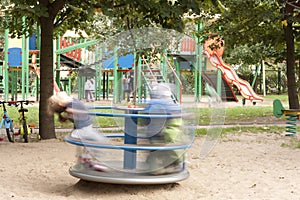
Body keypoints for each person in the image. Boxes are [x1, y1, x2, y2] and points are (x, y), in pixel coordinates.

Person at [47, 91, 108, 171]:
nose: (61, 93)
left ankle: (85, 159)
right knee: (100, 141)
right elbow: (77, 112)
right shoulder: (70, 108)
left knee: (91, 143)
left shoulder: (70, 101)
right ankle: (94, 162)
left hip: (86, 129)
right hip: (83, 130)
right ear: (61, 102)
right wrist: (83, 111)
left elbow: (60, 93)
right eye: (59, 96)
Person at [143, 83, 185, 175]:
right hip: (162, 134)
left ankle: (153, 168)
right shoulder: (170, 105)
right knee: (170, 149)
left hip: (153, 133)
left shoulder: (153, 104)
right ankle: (172, 165)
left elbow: (144, 117)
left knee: (155, 151)